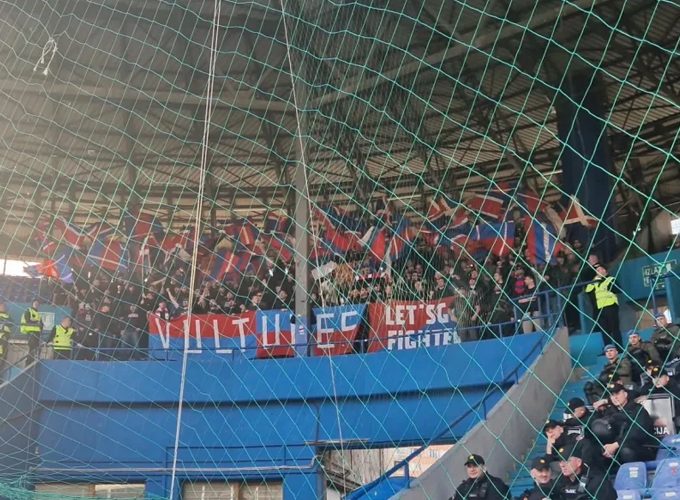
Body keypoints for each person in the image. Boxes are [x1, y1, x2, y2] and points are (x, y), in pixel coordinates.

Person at [592, 382, 657, 464]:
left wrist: (616, 445)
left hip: (642, 447)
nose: (615, 397)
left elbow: (637, 432)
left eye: (617, 394)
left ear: (625, 394)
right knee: (595, 450)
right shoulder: (610, 412)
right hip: (617, 449)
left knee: (626, 450)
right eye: (612, 395)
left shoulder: (638, 410)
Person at [585, 265, 621, 348]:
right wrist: (594, 280)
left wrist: (604, 282)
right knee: (604, 331)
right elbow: (588, 290)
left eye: (600, 269)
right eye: (597, 270)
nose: (598, 271)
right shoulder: (595, 282)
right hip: (600, 308)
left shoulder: (610, 279)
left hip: (611, 306)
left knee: (614, 329)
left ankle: (619, 348)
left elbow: (617, 289)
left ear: (605, 271)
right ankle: (608, 349)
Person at [0, 302, 12, 377]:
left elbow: (11, 323)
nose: (4, 307)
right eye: (2, 306)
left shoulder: (7, 315)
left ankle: (1, 374)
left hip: (5, 337)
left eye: (4, 306)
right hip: (1, 336)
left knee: (4, 355)